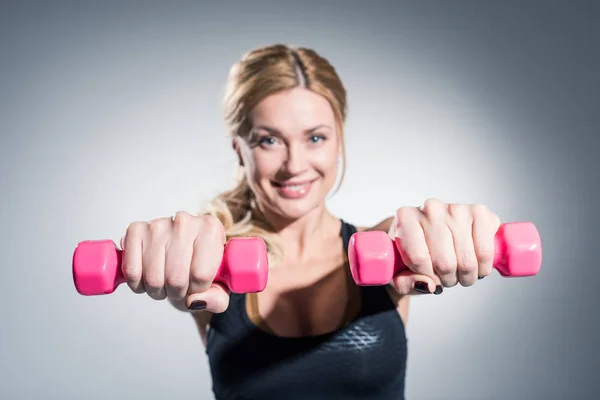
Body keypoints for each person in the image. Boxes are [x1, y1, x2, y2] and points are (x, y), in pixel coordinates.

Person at [119, 44, 501, 400]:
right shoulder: (212, 266)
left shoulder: (386, 250)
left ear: (339, 141)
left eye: (315, 138)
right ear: (240, 150)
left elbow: (404, 230)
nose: (295, 165)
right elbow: (190, 257)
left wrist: (442, 230)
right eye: (269, 141)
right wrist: (168, 249)